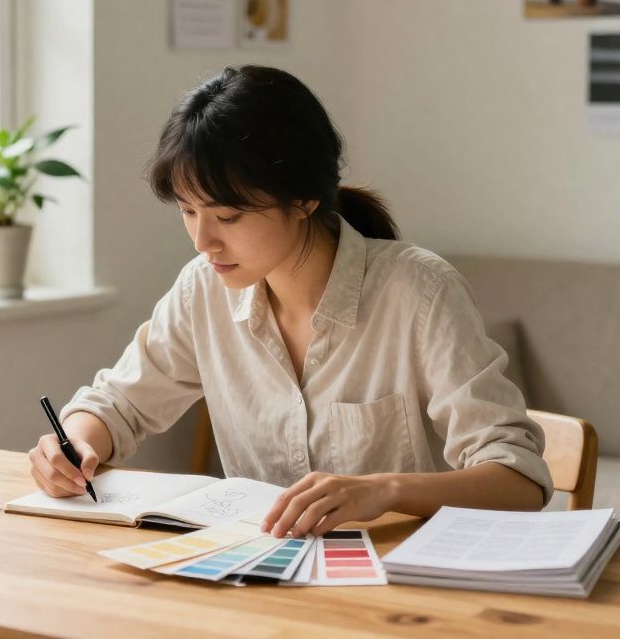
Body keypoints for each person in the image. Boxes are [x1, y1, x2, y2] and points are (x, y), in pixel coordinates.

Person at [28, 65, 552, 539]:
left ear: (304, 199)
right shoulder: (202, 290)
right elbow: (117, 405)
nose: (202, 241)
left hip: (399, 585)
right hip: (258, 576)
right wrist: (72, 446)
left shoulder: (419, 292)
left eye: (227, 217)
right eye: (188, 212)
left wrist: (384, 491)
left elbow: (519, 480)